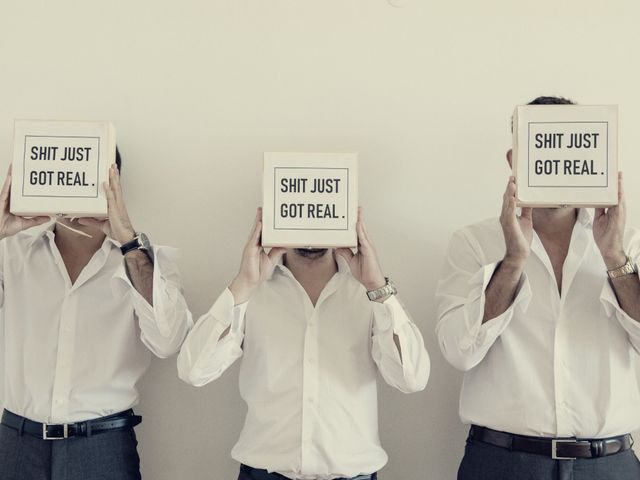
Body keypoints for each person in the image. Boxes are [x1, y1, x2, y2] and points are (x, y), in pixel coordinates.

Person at [435, 96, 640, 480]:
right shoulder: (473, 242)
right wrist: (512, 260)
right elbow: (457, 352)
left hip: (609, 465)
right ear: (515, 160)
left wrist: (614, 257)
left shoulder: (630, 243)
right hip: (501, 462)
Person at [178, 207, 429, 480]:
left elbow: (412, 379)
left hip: (353, 474)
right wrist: (243, 284)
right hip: (264, 474)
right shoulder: (251, 290)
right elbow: (194, 370)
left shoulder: (369, 293)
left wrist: (377, 286)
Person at [0, 151, 193, 480]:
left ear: (113, 181)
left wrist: (129, 242)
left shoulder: (147, 263)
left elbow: (168, 341)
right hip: (18, 443)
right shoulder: (10, 251)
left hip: (102, 446)